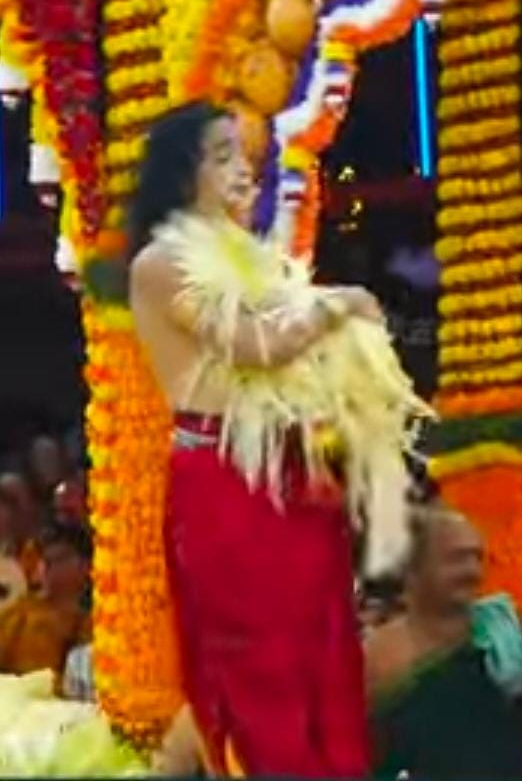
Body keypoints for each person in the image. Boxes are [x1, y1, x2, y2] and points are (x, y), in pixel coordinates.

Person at [127, 101, 430, 775]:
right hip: (224, 481)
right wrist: (341, 304)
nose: (244, 169)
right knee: (259, 656)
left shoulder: (255, 260)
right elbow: (255, 347)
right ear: (182, 172)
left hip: (292, 470)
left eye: (244, 153)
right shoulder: (160, 262)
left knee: (325, 640)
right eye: (222, 156)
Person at [365, 507, 522, 778]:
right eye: (456, 559)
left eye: (477, 558)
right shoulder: (379, 658)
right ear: (415, 570)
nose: (471, 570)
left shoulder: (509, 641)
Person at [0, 524, 90, 678]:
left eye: (59, 559)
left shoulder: (99, 621)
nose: (47, 567)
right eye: (46, 560)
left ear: (86, 566)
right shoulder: (20, 616)